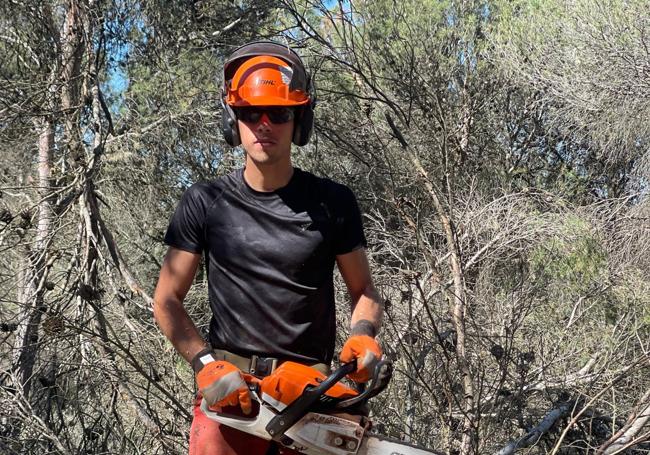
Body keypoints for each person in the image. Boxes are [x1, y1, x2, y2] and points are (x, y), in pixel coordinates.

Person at [152, 41, 383, 455]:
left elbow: (363, 291)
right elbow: (166, 300)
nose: (264, 125)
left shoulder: (333, 202)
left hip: (313, 396)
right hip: (230, 396)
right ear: (232, 120)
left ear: (299, 121)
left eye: (279, 113)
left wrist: (363, 335)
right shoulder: (205, 202)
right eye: (249, 113)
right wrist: (206, 366)